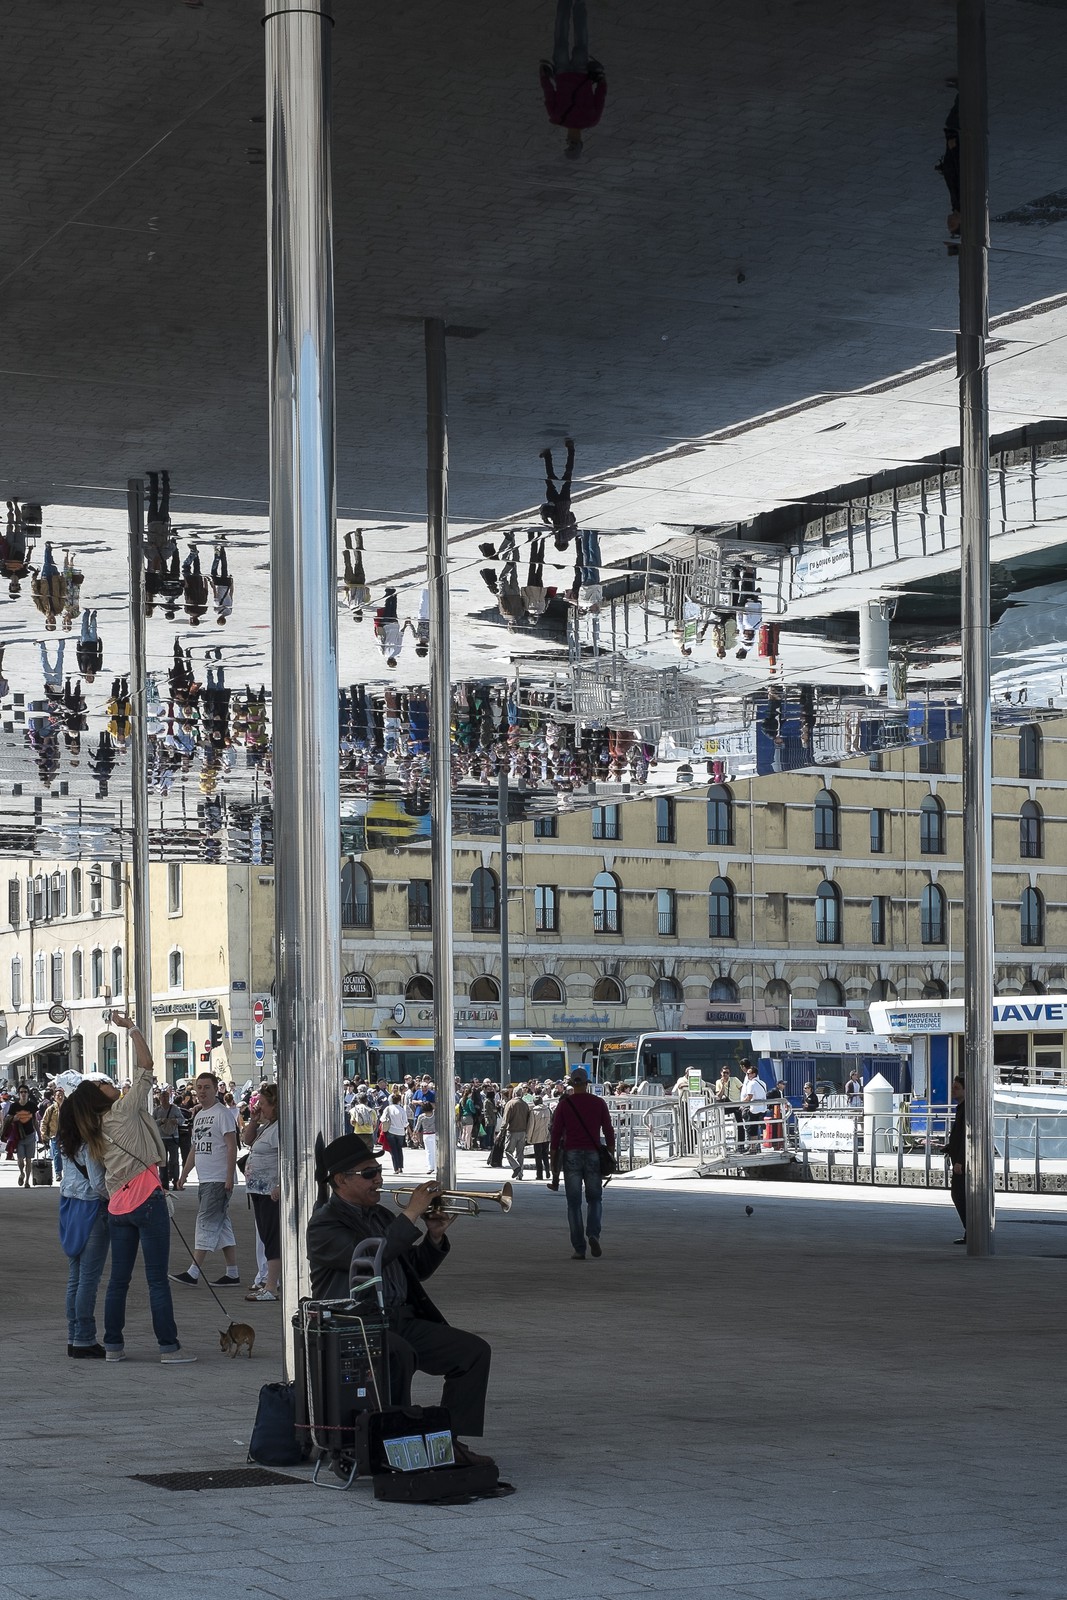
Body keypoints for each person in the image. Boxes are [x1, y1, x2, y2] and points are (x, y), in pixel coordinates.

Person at [306, 1134, 492, 1460]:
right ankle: (393, 1442)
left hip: (398, 1319)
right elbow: (369, 1259)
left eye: (378, 1171)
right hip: (356, 1324)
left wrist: (434, 1237)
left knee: (473, 1352)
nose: (378, 1179)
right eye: (368, 1174)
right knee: (398, 1355)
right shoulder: (324, 1224)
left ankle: (449, 1442)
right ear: (340, 1180)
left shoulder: (379, 1215)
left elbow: (413, 1269)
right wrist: (412, 1213)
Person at [97, 1013, 196, 1362]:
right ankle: (168, 1348)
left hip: (118, 1206)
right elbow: (147, 1066)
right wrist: (132, 1028)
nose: (111, 1083)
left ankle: (113, 1346)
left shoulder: (95, 1127)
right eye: (104, 1084)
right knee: (156, 1279)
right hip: (146, 1199)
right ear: (100, 1097)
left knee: (118, 1280)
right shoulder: (123, 1110)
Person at [171, 1070, 240, 1287]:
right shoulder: (199, 1115)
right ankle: (232, 1273)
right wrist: (184, 1174)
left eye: (207, 1087)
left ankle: (193, 1271)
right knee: (221, 1225)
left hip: (218, 1179)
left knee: (206, 1222)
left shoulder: (223, 1114)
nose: (202, 1092)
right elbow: (195, 1148)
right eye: (199, 1087)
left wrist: (229, 1177)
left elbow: (231, 1146)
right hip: (205, 1179)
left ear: (215, 1089)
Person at [56, 1084, 111, 1358]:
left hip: (69, 1207)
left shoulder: (66, 1141)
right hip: (91, 1208)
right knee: (89, 1279)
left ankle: (73, 1336)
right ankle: (85, 1338)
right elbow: (98, 1183)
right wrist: (118, 1195)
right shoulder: (90, 1143)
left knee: (75, 1278)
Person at [548, 1068, 614, 1259]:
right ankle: (593, 1234)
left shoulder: (564, 1104)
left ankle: (579, 1248)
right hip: (593, 1154)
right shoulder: (598, 1103)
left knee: (573, 1203)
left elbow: (555, 1134)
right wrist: (610, 1154)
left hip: (571, 1155)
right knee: (595, 1199)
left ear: (571, 1084)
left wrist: (553, 1163)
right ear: (587, 1083)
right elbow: (608, 1130)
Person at [540, 0, 607, 159]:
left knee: (581, 37)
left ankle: (580, 4)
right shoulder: (557, 118)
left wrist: (601, 79)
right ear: (569, 140)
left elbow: (601, 95)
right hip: (562, 72)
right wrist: (543, 75)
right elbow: (549, 93)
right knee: (561, 34)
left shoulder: (592, 120)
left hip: (582, 73)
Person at [242, 1082, 280, 1301]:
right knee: (265, 1235)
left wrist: (280, 1185)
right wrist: (254, 1120)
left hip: (269, 1191)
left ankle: (271, 1286)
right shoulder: (268, 1127)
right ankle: (269, 1282)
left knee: (272, 1236)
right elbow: (247, 1140)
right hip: (258, 1190)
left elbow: (288, 1159)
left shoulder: (280, 1129)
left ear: (275, 1105)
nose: (260, 1107)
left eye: (263, 1104)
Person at [3, 1083, 39, 1186]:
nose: (23, 1094)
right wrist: (13, 1119)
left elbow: (35, 1121)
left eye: (25, 1092)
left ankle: (27, 1181)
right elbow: (7, 1119)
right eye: (21, 1092)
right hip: (18, 1136)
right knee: (20, 1159)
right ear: (18, 1094)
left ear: (28, 1094)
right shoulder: (14, 1106)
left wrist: (40, 1135)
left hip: (30, 1135)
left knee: (28, 1160)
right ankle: (21, 1173)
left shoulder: (32, 1105)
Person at [947, 1074, 966, 1244]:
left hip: (962, 1161)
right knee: (959, 1195)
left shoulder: (965, 1110)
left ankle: (971, 1229)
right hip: (958, 1158)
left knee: (959, 1195)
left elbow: (966, 1137)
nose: (953, 1090)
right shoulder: (961, 1108)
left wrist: (960, 1160)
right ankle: (970, 1230)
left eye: (957, 1088)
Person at [152, 1085, 183, 1190]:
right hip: (161, 1138)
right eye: (162, 1097)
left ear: (169, 1097)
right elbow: (152, 1123)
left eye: (166, 1096)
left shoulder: (175, 1109)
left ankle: (176, 1182)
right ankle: (164, 1183)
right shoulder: (157, 1110)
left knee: (174, 1161)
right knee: (162, 1161)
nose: (164, 1099)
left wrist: (176, 1121)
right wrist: (161, 1121)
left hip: (173, 1138)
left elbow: (182, 1120)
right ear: (160, 1098)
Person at [499, 1087, 531, 1180]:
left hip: (512, 1131)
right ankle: (520, 1174)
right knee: (520, 1154)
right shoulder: (525, 1104)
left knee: (508, 1151)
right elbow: (528, 1118)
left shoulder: (510, 1103)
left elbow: (505, 1119)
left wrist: (501, 1130)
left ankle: (516, 1167)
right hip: (522, 1131)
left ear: (514, 1093)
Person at [738, 1061, 767, 1153]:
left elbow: (749, 1097)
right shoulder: (762, 1083)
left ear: (754, 1074)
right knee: (754, 1128)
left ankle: (753, 1148)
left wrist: (741, 1104)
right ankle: (755, 1147)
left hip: (754, 1109)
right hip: (762, 1108)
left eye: (749, 1073)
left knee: (752, 1129)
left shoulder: (751, 1083)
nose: (747, 1075)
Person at [380, 1092, 410, 1175]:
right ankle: (400, 1167)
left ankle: (396, 1168)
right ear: (399, 1101)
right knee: (399, 1149)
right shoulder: (402, 1110)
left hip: (391, 1131)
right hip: (401, 1132)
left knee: (393, 1150)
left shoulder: (388, 1108)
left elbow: (382, 1119)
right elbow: (405, 1123)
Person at [40, 1088, 65, 1180]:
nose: (60, 1097)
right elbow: (44, 1122)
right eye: (58, 1095)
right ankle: (58, 1173)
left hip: (66, 1134)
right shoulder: (51, 1109)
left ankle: (67, 1173)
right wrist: (43, 1135)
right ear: (54, 1097)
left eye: (61, 1095)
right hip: (55, 1134)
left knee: (67, 1154)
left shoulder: (68, 1108)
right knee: (57, 1153)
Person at [527, 1093, 552, 1180]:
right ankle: (548, 1171)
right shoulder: (548, 1110)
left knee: (538, 1157)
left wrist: (529, 1138)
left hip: (537, 1136)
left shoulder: (533, 1112)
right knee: (545, 1155)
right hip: (546, 1135)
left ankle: (539, 1175)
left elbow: (531, 1126)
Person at [413, 1093, 436, 1174]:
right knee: (435, 1151)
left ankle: (430, 1167)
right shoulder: (435, 1115)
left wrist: (414, 1134)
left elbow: (417, 1127)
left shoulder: (421, 1116)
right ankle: (436, 1166)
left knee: (429, 1152)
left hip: (426, 1135)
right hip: (434, 1134)